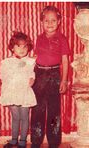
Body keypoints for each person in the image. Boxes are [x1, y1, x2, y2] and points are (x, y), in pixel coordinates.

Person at [30, 6, 70, 148]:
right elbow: (34, 58)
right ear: (41, 21)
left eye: (53, 20)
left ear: (59, 21)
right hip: (39, 74)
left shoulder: (62, 38)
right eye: (46, 20)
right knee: (37, 109)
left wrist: (64, 80)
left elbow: (65, 61)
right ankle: (36, 140)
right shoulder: (39, 38)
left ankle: (53, 142)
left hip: (54, 75)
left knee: (54, 110)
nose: (50, 23)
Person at [0, 31, 36, 148]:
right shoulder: (6, 62)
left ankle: (23, 141)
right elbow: (4, 76)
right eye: (18, 46)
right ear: (12, 48)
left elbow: (32, 73)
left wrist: (32, 78)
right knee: (15, 117)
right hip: (12, 92)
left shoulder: (30, 61)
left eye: (25, 46)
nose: (22, 49)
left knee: (24, 117)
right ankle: (14, 139)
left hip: (24, 92)